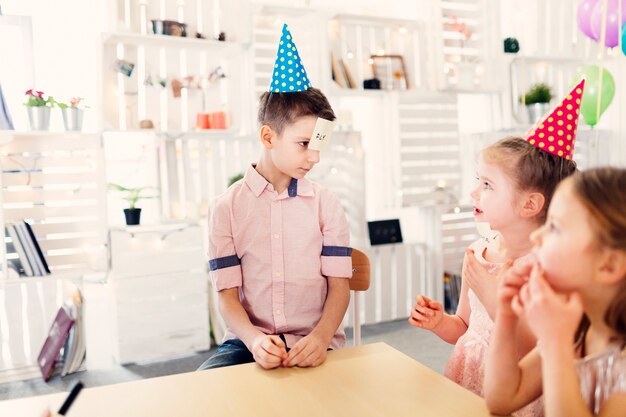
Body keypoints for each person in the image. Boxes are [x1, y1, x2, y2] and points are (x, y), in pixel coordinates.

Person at [409, 80, 584, 414]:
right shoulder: (478, 252)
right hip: (469, 384)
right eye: (479, 181)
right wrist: (438, 323)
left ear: (530, 205)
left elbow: (536, 352)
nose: (475, 193)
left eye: (487, 185)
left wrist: (494, 300)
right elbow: (463, 327)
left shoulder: (548, 268)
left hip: (518, 394)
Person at [197, 24, 352, 371]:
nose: (314, 157)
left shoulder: (327, 204)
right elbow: (226, 297)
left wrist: (322, 337)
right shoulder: (226, 208)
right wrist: (254, 340)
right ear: (268, 137)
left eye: (319, 145)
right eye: (303, 144)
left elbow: (340, 287)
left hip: (316, 340)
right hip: (246, 343)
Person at [484, 167, 626, 416]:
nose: (537, 235)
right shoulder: (580, 329)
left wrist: (555, 343)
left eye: (555, 227)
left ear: (609, 265)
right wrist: (507, 315)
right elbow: (502, 398)